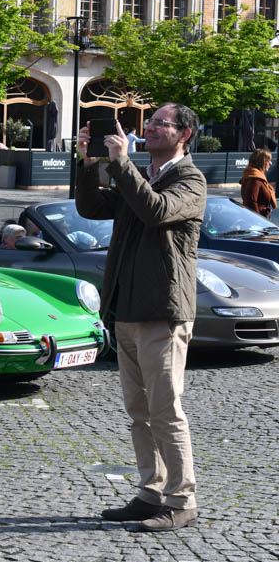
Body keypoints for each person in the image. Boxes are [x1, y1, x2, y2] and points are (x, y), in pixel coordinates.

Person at [76, 104, 206, 533]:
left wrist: (123, 164)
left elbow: (156, 211)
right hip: (127, 310)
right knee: (139, 411)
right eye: (149, 122)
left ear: (184, 134)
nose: (148, 127)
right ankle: (151, 491)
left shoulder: (190, 179)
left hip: (162, 312)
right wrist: (89, 164)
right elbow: (92, 207)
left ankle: (181, 499)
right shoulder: (141, 174)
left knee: (166, 410)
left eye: (160, 123)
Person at [239, 147, 276, 218]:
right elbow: (251, 203)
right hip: (257, 222)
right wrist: (260, 220)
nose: (271, 163)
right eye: (268, 161)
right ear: (262, 162)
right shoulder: (255, 179)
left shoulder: (254, 176)